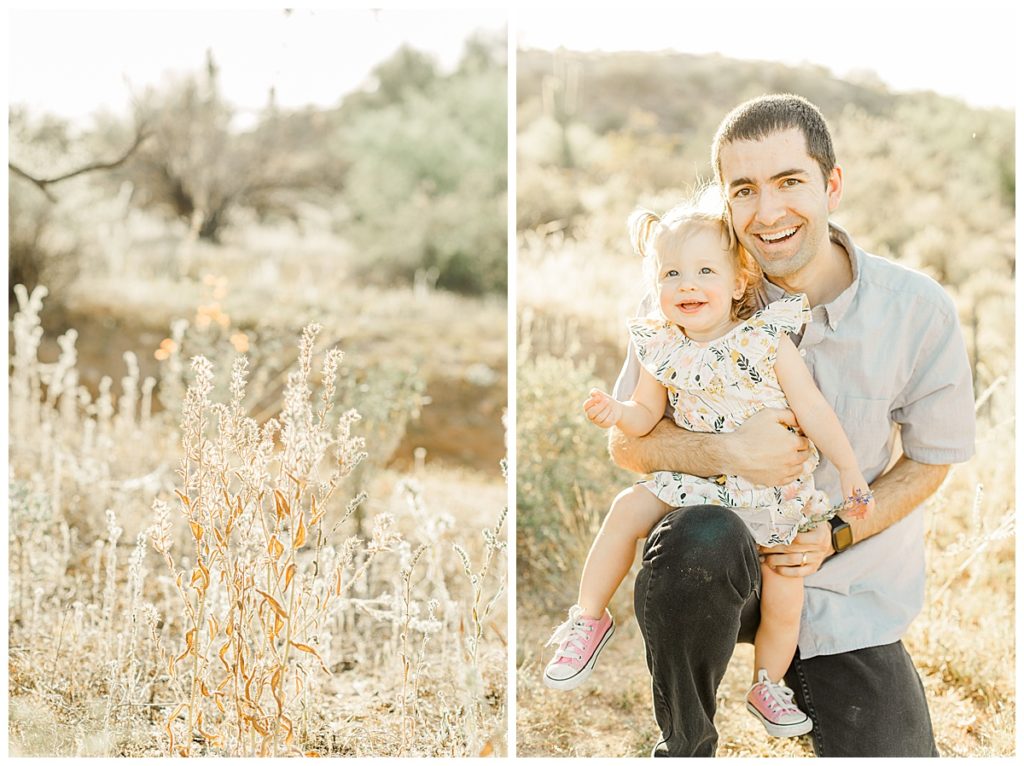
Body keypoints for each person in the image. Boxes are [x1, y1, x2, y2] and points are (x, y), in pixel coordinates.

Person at [605, 94, 975, 757]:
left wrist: (834, 534)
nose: (768, 211)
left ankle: (784, 685)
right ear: (724, 200)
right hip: (718, 566)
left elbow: (931, 459)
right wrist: (726, 450)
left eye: (789, 182)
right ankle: (686, 742)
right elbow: (626, 443)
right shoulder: (687, 295)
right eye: (744, 189)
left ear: (831, 184)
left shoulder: (917, 311)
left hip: (842, 593)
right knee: (699, 537)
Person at [542, 198, 874, 742]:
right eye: (671, 273)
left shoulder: (766, 339)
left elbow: (813, 409)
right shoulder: (662, 347)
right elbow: (645, 416)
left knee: (786, 587)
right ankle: (587, 618)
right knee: (627, 507)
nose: (686, 284)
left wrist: (851, 471)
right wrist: (616, 412)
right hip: (702, 486)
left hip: (771, 494)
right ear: (656, 286)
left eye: (704, 271)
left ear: (740, 281)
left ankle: (767, 683)